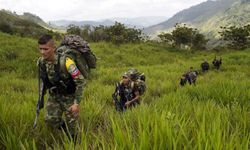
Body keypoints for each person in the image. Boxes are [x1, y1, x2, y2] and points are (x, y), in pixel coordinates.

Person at [37, 34, 85, 141]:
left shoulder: (66, 62)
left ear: (53, 48)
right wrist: (40, 98)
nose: (42, 52)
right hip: (54, 96)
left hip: (69, 97)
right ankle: (65, 130)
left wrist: (76, 103)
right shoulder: (41, 62)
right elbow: (42, 81)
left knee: (72, 126)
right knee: (50, 119)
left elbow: (80, 81)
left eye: (46, 49)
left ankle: (74, 143)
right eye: (40, 49)